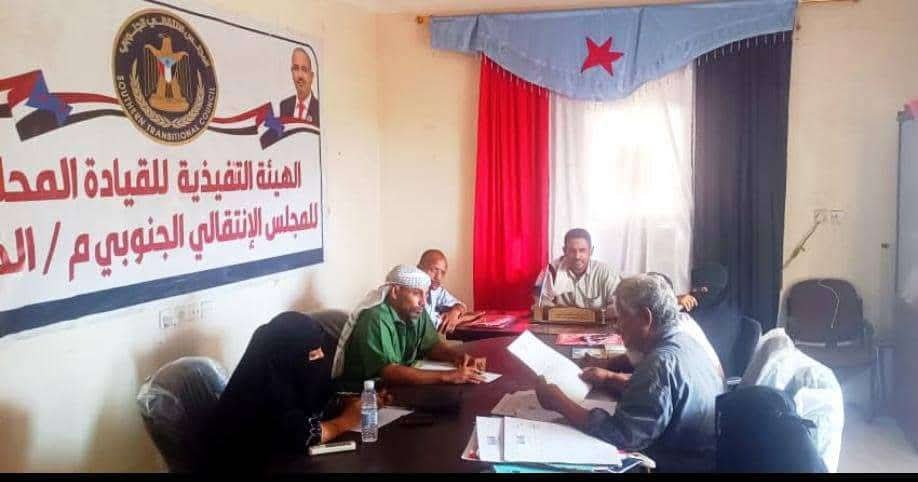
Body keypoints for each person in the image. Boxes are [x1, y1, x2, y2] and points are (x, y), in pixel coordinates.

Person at [535, 274, 724, 472]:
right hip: (703, 452)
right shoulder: (684, 339)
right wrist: (609, 378)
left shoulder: (659, 364)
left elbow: (623, 435)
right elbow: (660, 396)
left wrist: (560, 404)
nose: (617, 327)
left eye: (622, 316)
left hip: (679, 464)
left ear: (645, 317)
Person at [203, 311, 386, 472]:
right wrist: (347, 420)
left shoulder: (284, 375)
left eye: (321, 350)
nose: (322, 357)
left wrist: (350, 402)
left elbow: (321, 399)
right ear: (285, 358)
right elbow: (302, 435)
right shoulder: (258, 393)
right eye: (313, 354)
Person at [334, 264, 487, 391]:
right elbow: (389, 371)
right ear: (395, 292)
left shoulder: (416, 311)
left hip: (396, 387)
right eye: (416, 294)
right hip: (362, 395)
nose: (423, 302)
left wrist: (458, 358)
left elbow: (431, 346)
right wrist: (448, 376)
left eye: (425, 295)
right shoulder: (375, 317)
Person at [533, 228, 620, 310]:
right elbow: (540, 302)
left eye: (582, 250)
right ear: (564, 251)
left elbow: (619, 305)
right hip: (560, 320)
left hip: (599, 320)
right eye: (572, 251)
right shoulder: (552, 270)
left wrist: (595, 316)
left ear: (591, 251)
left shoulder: (605, 272)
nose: (577, 256)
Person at [417, 249, 470, 334]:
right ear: (419, 269)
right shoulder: (412, 291)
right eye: (434, 270)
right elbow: (431, 323)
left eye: (442, 273)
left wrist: (455, 312)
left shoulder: (435, 290)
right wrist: (466, 319)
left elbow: (460, 305)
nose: (438, 277)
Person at [280, 47, 320, 127]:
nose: (300, 75)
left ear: (311, 76)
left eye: (304, 69)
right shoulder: (284, 106)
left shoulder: (319, 109)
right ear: (292, 72)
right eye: (296, 68)